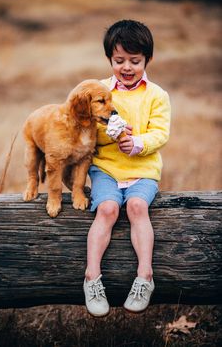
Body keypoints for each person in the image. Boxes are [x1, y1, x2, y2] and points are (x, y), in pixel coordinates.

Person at [83, 19, 171, 317]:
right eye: (119, 60)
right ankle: (91, 277)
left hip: (143, 170)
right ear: (110, 58)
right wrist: (106, 133)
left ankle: (144, 276)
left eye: (135, 61)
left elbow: (160, 133)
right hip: (106, 168)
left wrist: (138, 143)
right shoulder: (99, 91)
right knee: (107, 209)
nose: (127, 67)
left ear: (147, 59)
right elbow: (85, 130)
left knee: (136, 206)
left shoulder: (156, 95)